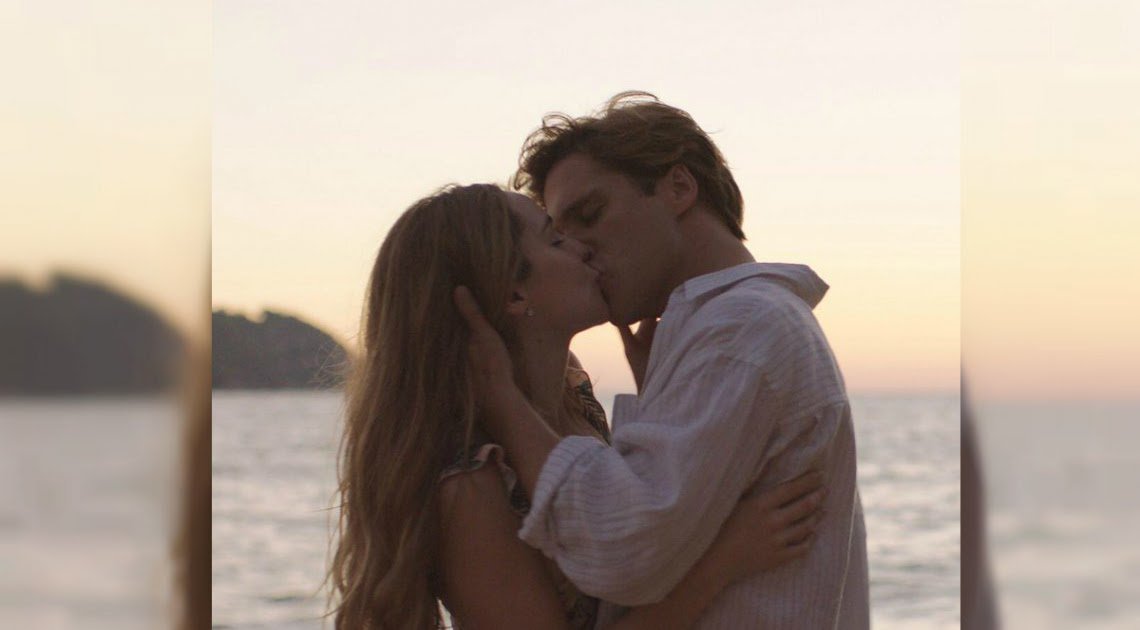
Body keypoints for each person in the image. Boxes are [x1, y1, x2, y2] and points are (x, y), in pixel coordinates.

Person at [326, 184, 829, 628]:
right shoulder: (470, 485)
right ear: (514, 291)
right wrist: (724, 561)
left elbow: (634, 530)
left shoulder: (574, 401)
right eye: (554, 237)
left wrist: (660, 387)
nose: (583, 248)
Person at [454, 92, 870, 628]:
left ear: (678, 187)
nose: (578, 248)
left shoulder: (739, 329)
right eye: (560, 234)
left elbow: (622, 551)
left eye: (590, 214)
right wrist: (659, 391)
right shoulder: (733, 328)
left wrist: (505, 404)